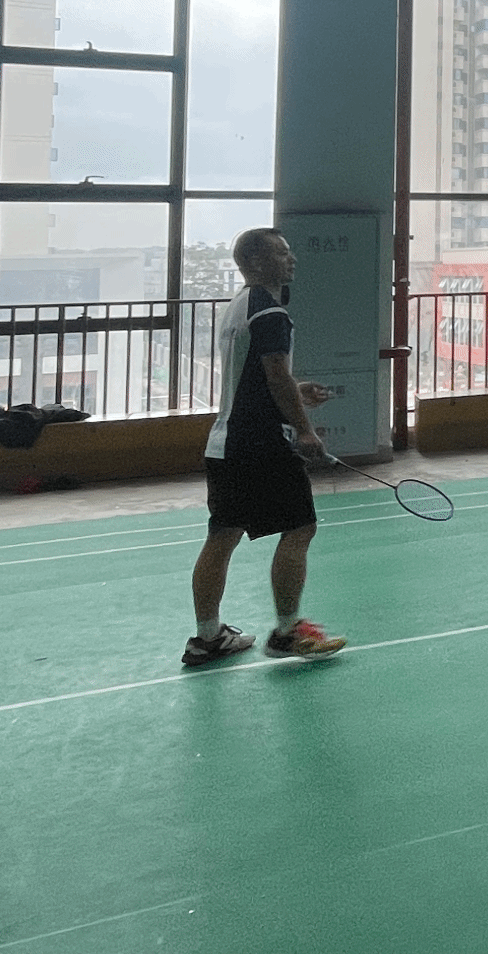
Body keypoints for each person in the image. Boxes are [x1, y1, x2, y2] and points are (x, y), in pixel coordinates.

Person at [182, 229, 347, 666]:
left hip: (225, 443)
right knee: (300, 527)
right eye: (281, 252)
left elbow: (259, 375)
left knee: (222, 536)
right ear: (255, 262)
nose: (291, 259)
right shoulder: (270, 311)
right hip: (260, 442)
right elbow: (275, 374)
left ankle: (207, 637)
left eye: (290, 251)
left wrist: (297, 389)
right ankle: (288, 631)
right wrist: (305, 430)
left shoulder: (239, 306)